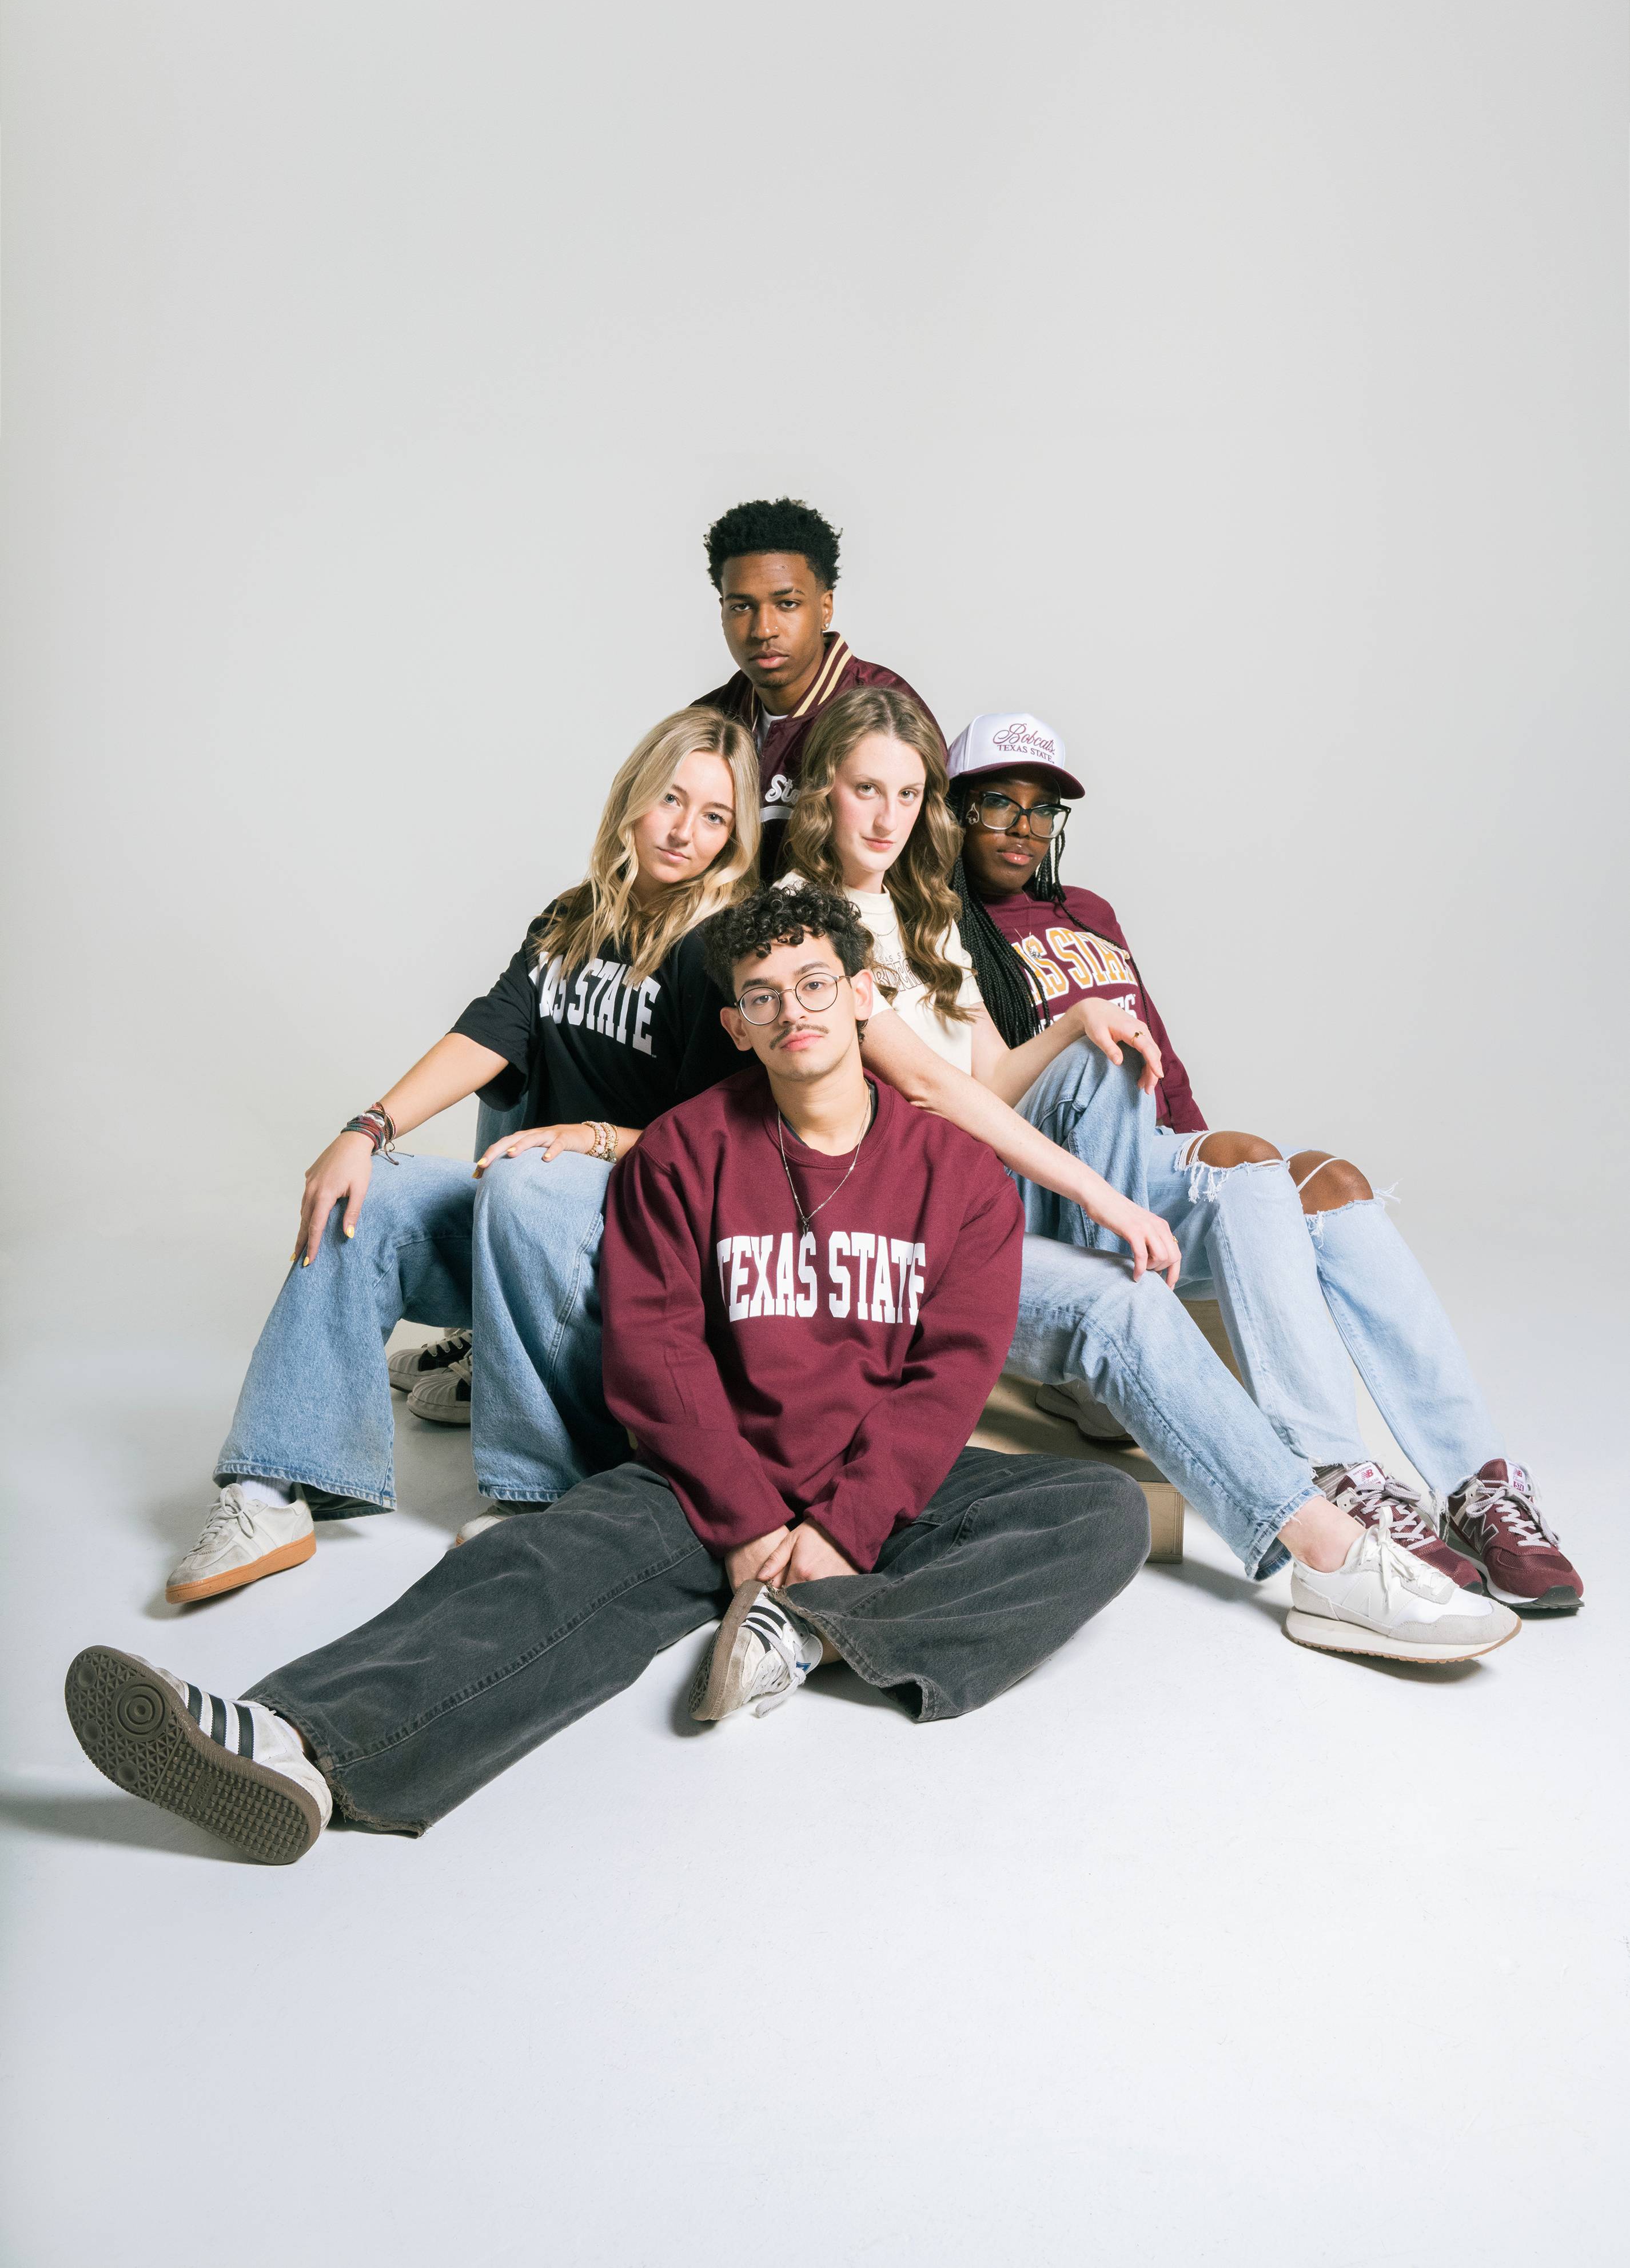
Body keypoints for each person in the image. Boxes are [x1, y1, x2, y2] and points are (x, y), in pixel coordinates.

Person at [63, 889, 1150, 1866]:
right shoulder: (685, 1150)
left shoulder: (959, 1176)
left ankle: (807, 1627)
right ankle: (298, 1743)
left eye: (817, 983)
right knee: (528, 1569)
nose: (794, 1012)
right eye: (762, 999)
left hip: (879, 1485)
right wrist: (739, 1521)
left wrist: (839, 1532)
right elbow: (656, 1355)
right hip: (706, 1479)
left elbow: (947, 1376)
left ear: (866, 994)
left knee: (1099, 1513)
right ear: (734, 1026)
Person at [776, 687, 1524, 1661]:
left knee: (1125, 1130)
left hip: (980, 1209)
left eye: (907, 795)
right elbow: (925, 1087)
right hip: (900, 1240)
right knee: (1117, 1299)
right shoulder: (803, 922)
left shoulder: (923, 913)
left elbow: (991, 1077)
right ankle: (1334, 1562)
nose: (885, 817)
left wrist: (1076, 1023)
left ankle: (1369, 1521)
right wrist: (1103, 1195)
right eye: (863, 789)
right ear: (820, 792)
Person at [943, 709, 1583, 1619]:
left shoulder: (1088, 913)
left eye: (1041, 810)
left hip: (1144, 1158)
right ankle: (1324, 1465)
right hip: (1050, 1186)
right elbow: (981, 1094)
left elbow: (1163, 1062)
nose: (1022, 828)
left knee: (1317, 1179)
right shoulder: (943, 924)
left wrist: (1215, 1164)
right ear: (954, 812)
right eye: (996, 805)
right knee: (1108, 1056)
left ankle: (1471, 1483)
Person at [161, 707, 760, 1606]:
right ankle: (273, 1486)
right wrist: (365, 1129)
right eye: (671, 799)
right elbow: (492, 1029)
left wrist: (589, 1140)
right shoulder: (572, 918)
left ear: (736, 836)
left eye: (714, 816)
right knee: (377, 1190)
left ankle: (547, 1494)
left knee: (526, 1174)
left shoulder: (720, 950)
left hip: (641, 1256)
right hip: (530, 1229)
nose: (684, 830)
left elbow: (726, 1140)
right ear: (633, 798)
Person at [691, 495, 937, 874]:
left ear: (825, 608)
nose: (763, 630)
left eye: (787, 604)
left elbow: (930, 866)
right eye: (741, 607)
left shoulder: (887, 711)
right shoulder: (707, 720)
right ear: (721, 610)